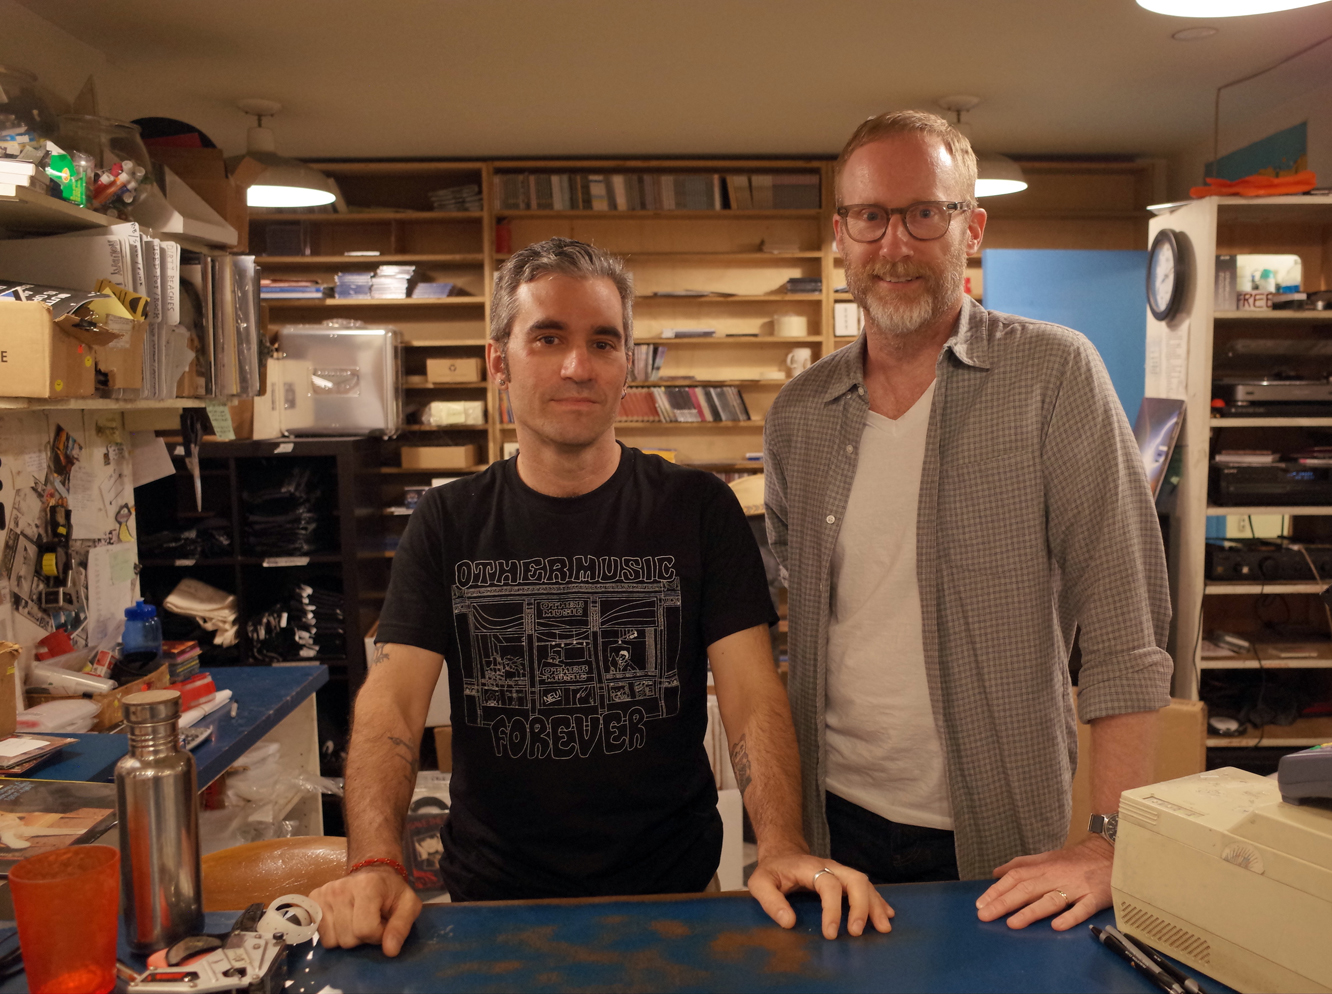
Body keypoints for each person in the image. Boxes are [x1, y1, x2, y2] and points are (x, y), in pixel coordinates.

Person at [311, 237, 891, 956]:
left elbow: (751, 695)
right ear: (498, 362)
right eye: (548, 338)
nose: (577, 366)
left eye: (603, 342)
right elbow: (392, 705)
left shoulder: (699, 510)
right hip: (492, 911)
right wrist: (374, 861)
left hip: (677, 904)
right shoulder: (447, 520)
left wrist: (780, 845)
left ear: (628, 364)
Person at [763, 112, 1173, 932]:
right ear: (841, 236)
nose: (894, 245)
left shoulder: (1053, 375)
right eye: (870, 217)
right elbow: (794, 617)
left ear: (971, 228)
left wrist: (1108, 841)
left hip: (998, 835)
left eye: (925, 213)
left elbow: (1125, 625)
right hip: (832, 823)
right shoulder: (799, 414)